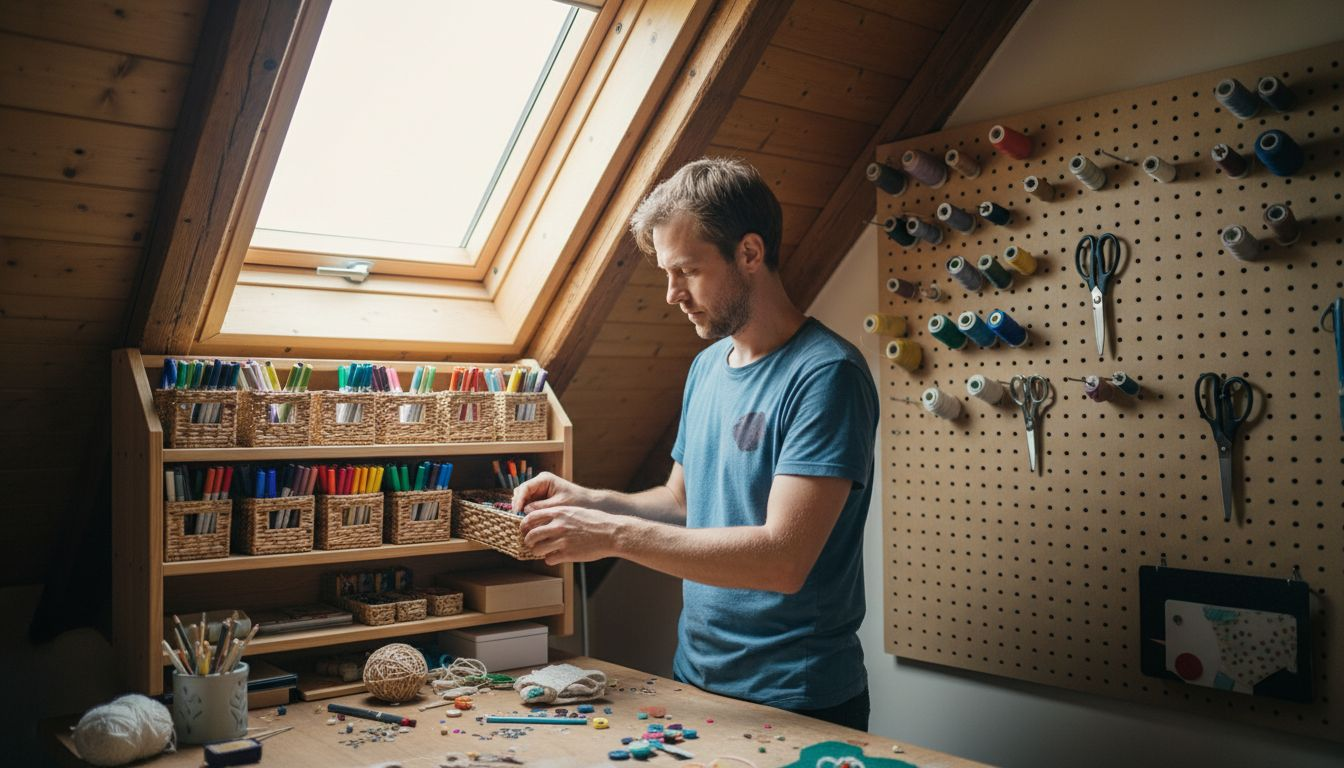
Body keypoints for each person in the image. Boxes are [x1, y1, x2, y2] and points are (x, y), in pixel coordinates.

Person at [514, 157, 879, 731]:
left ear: (750, 254)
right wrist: (587, 500)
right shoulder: (708, 365)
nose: (671, 294)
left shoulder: (826, 374)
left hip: (797, 698)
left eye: (686, 270)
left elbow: (784, 559)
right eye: (666, 272)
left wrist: (611, 534)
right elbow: (682, 503)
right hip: (697, 679)